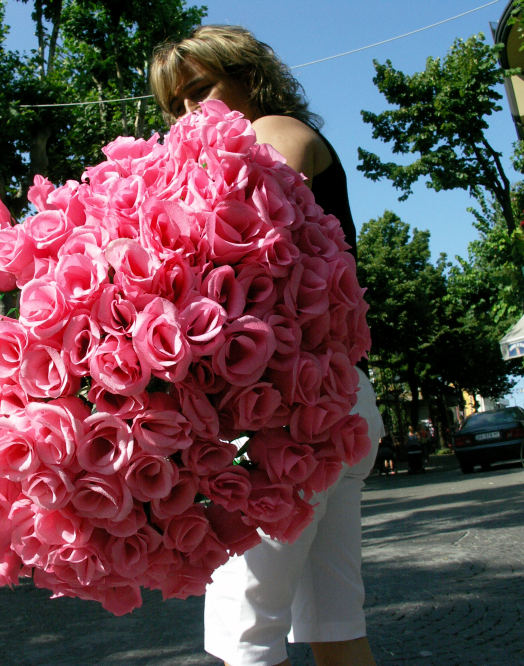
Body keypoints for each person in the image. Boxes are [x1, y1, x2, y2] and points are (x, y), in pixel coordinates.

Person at [151, 25, 384, 666]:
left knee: (243, 637)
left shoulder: (273, 130)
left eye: (201, 91)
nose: (190, 115)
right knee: (337, 627)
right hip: (335, 406)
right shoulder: (283, 137)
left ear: (248, 79)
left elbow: (254, 189)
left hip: (285, 418)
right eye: (175, 106)